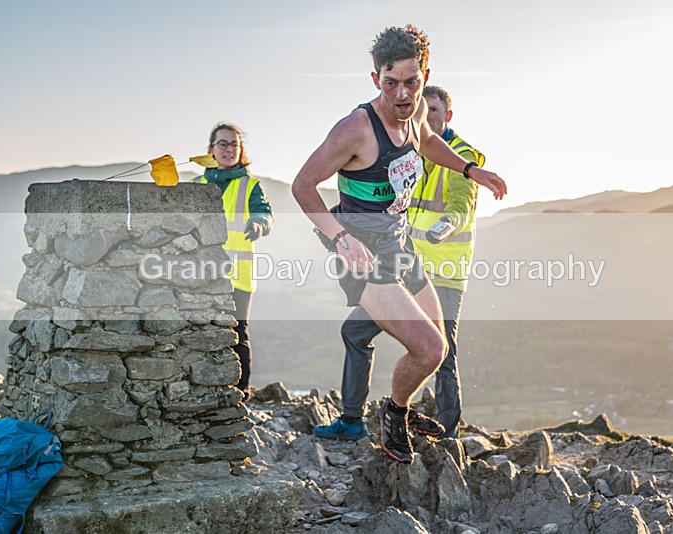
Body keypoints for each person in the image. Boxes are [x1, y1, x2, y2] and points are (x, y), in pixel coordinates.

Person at [292, 25, 506, 463]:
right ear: (376, 80)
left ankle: (399, 412)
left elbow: (428, 142)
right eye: (391, 84)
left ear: (425, 75)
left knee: (438, 344)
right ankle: (393, 414)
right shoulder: (356, 128)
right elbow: (302, 186)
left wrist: (470, 171)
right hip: (364, 258)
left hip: (400, 246)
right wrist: (340, 237)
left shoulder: (416, 117)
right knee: (428, 349)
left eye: (412, 82)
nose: (403, 95)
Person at [317, 85, 483, 440]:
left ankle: (445, 436)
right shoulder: (406, 141)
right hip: (398, 261)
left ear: (447, 116)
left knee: (440, 353)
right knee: (356, 332)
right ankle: (354, 419)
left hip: (444, 272)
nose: (426, 113)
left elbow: (461, 204)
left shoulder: (458, 153)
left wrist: (446, 222)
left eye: (434, 110)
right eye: (427, 109)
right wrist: (343, 233)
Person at [194, 122, 273, 399]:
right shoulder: (197, 185)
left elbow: (265, 214)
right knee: (200, 330)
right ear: (211, 150)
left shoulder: (250, 185)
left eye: (234, 144)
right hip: (201, 274)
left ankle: (241, 392)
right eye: (223, 144)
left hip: (238, 274)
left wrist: (259, 224)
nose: (229, 149)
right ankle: (206, 388)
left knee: (238, 332)